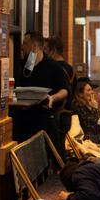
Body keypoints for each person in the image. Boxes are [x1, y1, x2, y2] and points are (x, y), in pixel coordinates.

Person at [17, 31, 70, 160]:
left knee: (43, 157)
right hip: (24, 119)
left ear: (34, 46)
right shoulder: (26, 65)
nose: (22, 47)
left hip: (43, 120)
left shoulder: (52, 66)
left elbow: (65, 90)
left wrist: (52, 98)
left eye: (25, 43)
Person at [45, 36, 77, 110]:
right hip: (67, 113)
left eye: (45, 49)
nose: (44, 53)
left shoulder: (52, 68)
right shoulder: (71, 69)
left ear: (53, 51)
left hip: (54, 112)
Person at [72, 81, 100, 146]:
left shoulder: (87, 106)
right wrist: (95, 109)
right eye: (89, 90)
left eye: (92, 89)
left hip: (93, 141)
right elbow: (89, 126)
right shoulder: (77, 107)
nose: (92, 92)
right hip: (85, 143)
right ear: (80, 94)